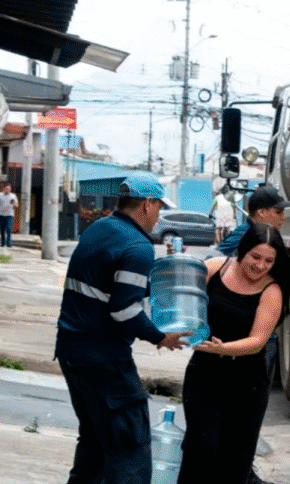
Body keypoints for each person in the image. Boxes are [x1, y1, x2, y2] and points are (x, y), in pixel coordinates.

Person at [54, 172, 188, 484]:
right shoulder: (138, 246)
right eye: (159, 208)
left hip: (72, 352)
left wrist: (156, 281)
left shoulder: (101, 228)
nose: (159, 217)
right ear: (147, 203)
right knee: (130, 445)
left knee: (95, 443)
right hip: (105, 360)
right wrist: (160, 337)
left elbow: (108, 288)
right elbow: (124, 309)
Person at [178, 223, 290, 484]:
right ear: (243, 251)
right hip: (204, 377)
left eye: (269, 260)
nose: (261, 266)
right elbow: (179, 298)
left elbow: (257, 341)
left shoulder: (272, 290)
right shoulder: (214, 269)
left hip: (246, 385)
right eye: (255, 257)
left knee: (234, 464)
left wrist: (222, 348)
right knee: (200, 452)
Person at [217, 185, 290, 258]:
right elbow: (213, 258)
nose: (284, 217)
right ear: (261, 212)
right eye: (278, 212)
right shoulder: (244, 233)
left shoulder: (266, 234)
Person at [0, 182, 19, 247]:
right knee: (2, 229)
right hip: (1, 214)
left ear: (10, 189)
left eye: (9, 188)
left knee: (8, 228)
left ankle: (8, 243)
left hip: (10, 215)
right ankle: (3, 242)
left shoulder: (13, 196)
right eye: (6, 188)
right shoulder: (0, 195)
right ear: (4, 188)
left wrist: (14, 204)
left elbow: (17, 205)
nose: (7, 189)